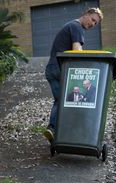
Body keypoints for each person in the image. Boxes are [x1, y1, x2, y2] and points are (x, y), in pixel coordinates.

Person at [43, 7, 103, 142]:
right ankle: (72, 133)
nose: (93, 24)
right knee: (69, 102)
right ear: (86, 14)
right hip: (60, 69)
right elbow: (77, 50)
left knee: (60, 100)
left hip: (51, 69)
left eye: (95, 24)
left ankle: (53, 130)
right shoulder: (76, 27)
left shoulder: (70, 25)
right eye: (93, 20)